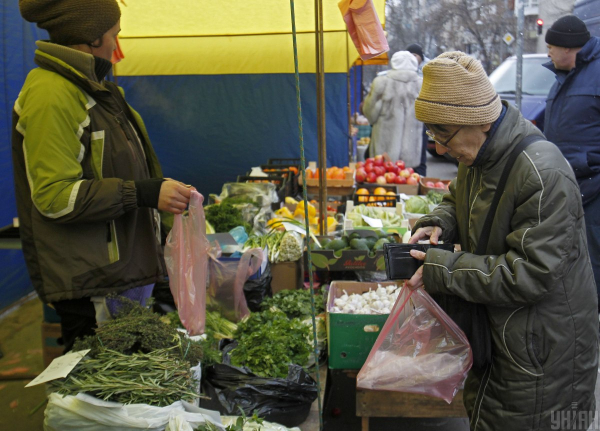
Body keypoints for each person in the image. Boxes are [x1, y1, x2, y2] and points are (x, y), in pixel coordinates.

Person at [405, 51, 598, 429]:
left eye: (443, 134)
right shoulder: (478, 157)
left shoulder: (543, 173)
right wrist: (440, 223)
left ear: (476, 120)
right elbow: (457, 198)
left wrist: (441, 268)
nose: (440, 148)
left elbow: (530, 274)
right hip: (502, 334)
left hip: (541, 351)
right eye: (434, 135)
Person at [13, 0, 195, 352]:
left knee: (124, 390)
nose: (117, 45)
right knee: (98, 396)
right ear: (93, 38)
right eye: (115, 35)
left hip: (117, 273)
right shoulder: (52, 93)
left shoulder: (96, 90)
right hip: (90, 281)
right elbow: (54, 197)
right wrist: (141, 193)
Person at [542, 15, 600, 316]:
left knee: (594, 262)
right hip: (571, 186)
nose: (548, 53)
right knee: (576, 263)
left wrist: (587, 161)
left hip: (594, 187)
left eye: (551, 46)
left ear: (569, 48)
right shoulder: (564, 77)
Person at [361, 51, 423, 169]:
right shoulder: (421, 85)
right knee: (408, 182)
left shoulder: (382, 83)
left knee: (383, 183)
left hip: (384, 150)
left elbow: (370, 114)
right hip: (411, 152)